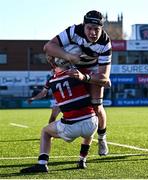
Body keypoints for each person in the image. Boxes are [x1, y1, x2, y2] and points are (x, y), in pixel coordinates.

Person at [43, 10, 112, 156]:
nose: (93, 32)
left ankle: (101, 137)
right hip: (73, 65)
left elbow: (104, 78)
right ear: (83, 25)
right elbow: (48, 46)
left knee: (97, 106)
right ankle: (61, 128)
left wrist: (85, 77)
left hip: (92, 71)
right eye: (89, 28)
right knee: (50, 55)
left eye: (97, 29)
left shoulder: (105, 43)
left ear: (102, 29)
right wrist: (68, 56)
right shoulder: (73, 31)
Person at [20, 59, 98, 173]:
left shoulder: (51, 80)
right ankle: (82, 159)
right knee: (88, 125)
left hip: (71, 127)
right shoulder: (78, 72)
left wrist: (33, 98)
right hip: (92, 124)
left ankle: (42, 163)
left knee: (45, 132)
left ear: (54, 66)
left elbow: (43, 93)